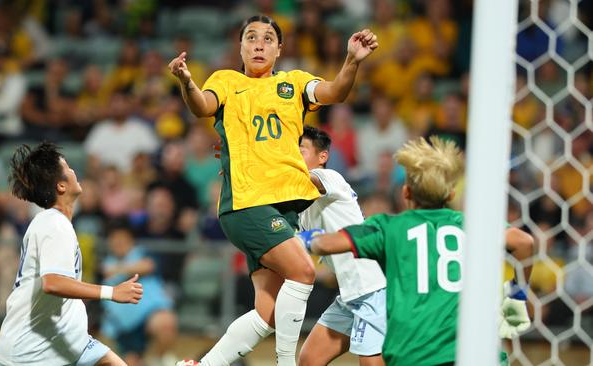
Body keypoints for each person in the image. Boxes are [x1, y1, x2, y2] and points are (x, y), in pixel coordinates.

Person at [168, 14, 378, 366]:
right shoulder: (226, 81)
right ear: (240, 47)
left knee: (267, 313)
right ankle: (285, 363)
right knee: (304, 272)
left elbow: (335, 92)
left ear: (280, 49)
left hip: (281, 209)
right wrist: (187, 82)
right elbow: (202, 105)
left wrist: (351, 61)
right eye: (251, 38)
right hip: (249, 202)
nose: (259, 44)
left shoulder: (294, 83)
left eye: (268, 39)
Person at [297, 137, 535, 366]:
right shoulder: (472, 226)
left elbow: (328, 244)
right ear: (451, 194)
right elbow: (524, 243)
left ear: (406, 192)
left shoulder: (392, 228)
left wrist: (306, 239)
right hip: (475, 350)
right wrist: (517, 292)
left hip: (416, 349)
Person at [0, 142, 143, 366]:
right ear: (61, 186)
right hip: (33, 355)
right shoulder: (55, 225)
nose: (74, 171)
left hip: (70, 344)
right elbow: (53, 283)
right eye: (68, 168)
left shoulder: (54, 223)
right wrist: (111, 292)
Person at [297, 126, 386, 366]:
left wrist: (262, 159)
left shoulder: (329, 177)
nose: (294, 156)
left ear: (322, 157)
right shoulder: (301, 202)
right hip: (350, 293)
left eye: (301, 150)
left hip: (373, 288)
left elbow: (304, 179)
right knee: (308, 360)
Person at [101, 220, 178, 366]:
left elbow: (148, 265)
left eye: (122, 238)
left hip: (151, 315)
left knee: (166, 322)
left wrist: (117, 270)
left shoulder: (142, 254)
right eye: (114, 239)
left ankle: (160, 360)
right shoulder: (105, 263)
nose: (118, 242)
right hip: (124, 326)